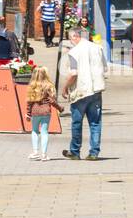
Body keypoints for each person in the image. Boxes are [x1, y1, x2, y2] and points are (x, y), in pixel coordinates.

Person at [61, 25, 107, 161]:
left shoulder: (74, 52)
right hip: (96, 90)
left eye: (70, 38)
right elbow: (104, 68)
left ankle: (75, 151)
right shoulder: (98, 48)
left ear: (76, 36)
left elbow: (73, 74)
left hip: (81, 91)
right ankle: (94, 152)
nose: (70, 42)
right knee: (95, 123)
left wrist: (65, 88)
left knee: (77, 123)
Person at [25, 65, 62, 161]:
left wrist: (28, 114)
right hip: (46, 112)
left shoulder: (32, 86)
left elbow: (29, 102)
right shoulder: (48, 86)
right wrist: (60, 108)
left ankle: (35, 152)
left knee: (34, 131)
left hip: (35, 112)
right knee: (44, 132)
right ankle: (44, 155)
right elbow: (52, 101)